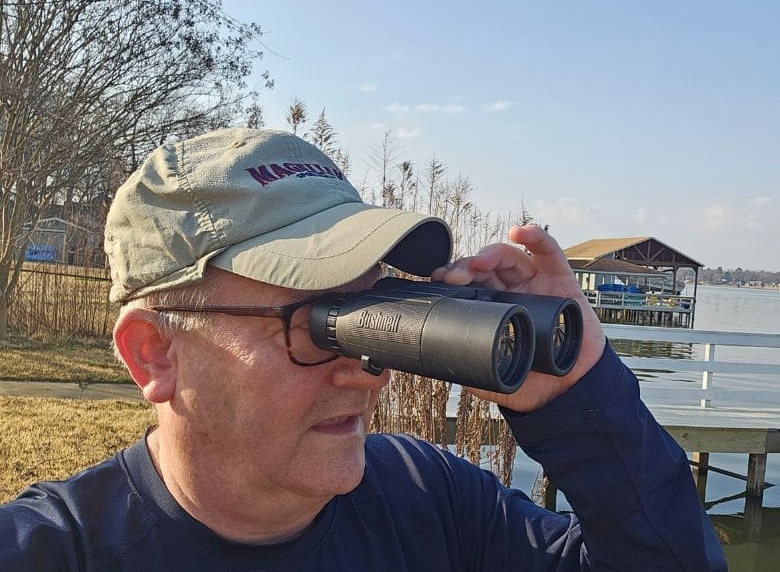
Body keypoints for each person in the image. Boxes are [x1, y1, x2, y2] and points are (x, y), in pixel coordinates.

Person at [0, 128, 725, 570]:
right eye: (320, 321)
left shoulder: (432, 502)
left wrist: (580, 393)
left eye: (374, 313)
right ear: (154, 353)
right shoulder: (51, 551)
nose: (365, 370)